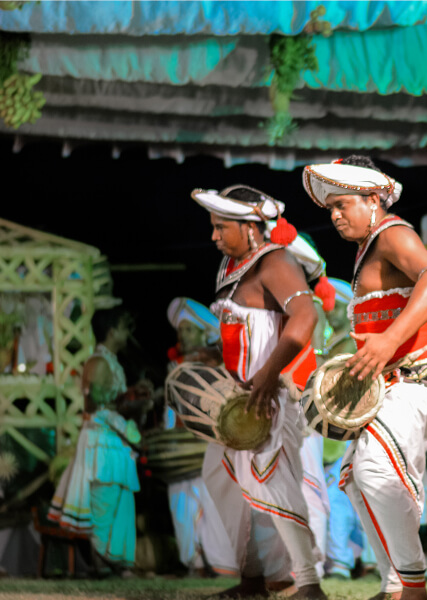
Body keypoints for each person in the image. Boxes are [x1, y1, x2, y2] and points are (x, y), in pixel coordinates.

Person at [302, 157, 427, 600]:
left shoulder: (392, 234)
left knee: (374, 470)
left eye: (343, 204)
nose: (334, 215)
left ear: (373, 199)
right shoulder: (369, 244)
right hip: (395, 382)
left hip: (422, 376)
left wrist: (388, 342)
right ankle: (396, 584)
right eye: (330, 207)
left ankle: (413, 587)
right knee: (355, 478)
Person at [191, 185, 327, 600]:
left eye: (221, 227)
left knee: (273, 484)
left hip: (269, 398)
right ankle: (252, 580)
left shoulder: (274, 261)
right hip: (237, 402)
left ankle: (307, 583)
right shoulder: (234, 267)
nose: (214, 236)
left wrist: (269, 376)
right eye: (212, 227)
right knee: (227, 483)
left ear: (251, 228)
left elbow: (305, 316)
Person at [49, 307, 152, 575]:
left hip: (112, 440)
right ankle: (104, 565)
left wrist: (130, 395)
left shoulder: (112, 362)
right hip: (101, 440)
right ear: (111, 331)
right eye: (124, 328)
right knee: (104, 500)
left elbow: (111, 400)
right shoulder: (98, 362)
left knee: (118, 500)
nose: (128, 334)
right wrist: (130, 405)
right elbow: (96, 405)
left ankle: (114, 565)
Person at [162, 297, 237, 577]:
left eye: (189, 330)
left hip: (209, 445)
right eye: (181, 331)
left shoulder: (216, 365)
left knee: (214, 505)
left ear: (203, 333)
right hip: (179, 449)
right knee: (182, 505)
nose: (183, 336)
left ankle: (221, 564)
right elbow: (169, 411)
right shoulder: (175, 368)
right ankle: (193, 562)